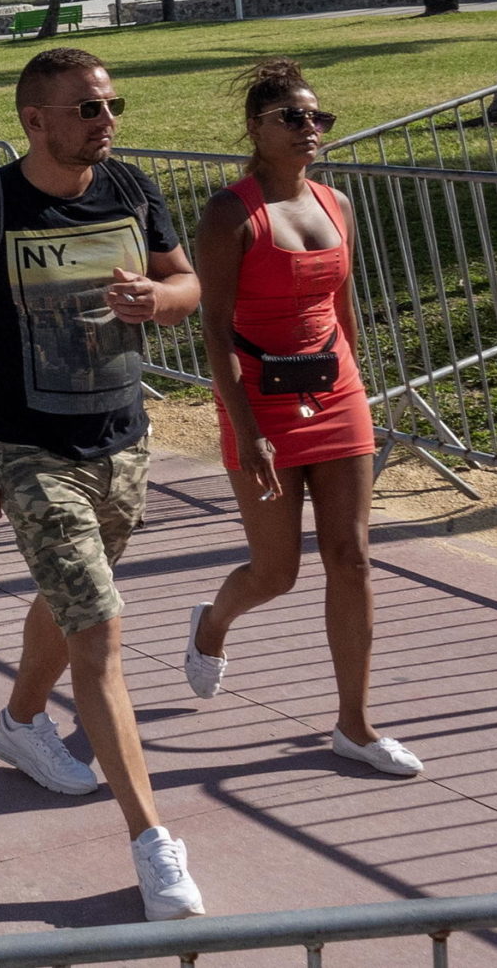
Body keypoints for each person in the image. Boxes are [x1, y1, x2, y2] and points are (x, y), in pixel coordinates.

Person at [0, 47, 206, 920]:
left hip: (122, 439)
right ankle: (153, 842)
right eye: (88, 107)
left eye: (111, 102)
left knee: (72, 596)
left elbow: (187, 282)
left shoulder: (130, 188)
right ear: (36, 119)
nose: (107, 118)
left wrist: (157, 303)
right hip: (30, 449)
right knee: (100, 633)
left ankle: (18, 722)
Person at [184, 60, 421, 778]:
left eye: (319, 118)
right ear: (256, 128)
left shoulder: (336, 202)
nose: (310, 130)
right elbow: (215, 330)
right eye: (293, 117)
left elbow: (343, 308)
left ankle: (354, 724)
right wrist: (246, 422)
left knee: (350, 557)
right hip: (259, 401)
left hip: (336, 393)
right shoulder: (231, 212)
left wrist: (360, 389)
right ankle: (213, 622)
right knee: (277, 570)